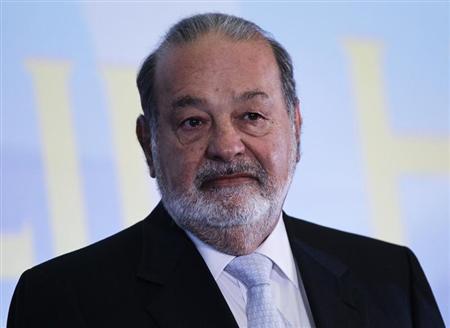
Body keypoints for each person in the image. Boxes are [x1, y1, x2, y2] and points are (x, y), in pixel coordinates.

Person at [7, 13, 444, 328]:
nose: (226, 146)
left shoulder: (390, 278)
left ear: (294, 127)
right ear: (149, 143)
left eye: (252, 116)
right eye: (193, 122)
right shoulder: (62, 301)